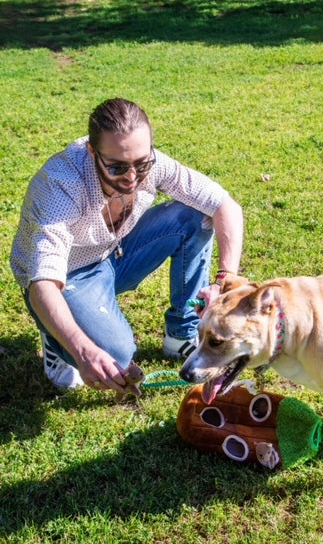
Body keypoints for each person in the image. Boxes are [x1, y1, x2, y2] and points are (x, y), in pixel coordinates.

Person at [10, 98, 243, 396]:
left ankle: (181, 330)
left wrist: (225, 282)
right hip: (68, 277)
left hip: (115, 252)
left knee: (195, 218)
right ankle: (56, 340)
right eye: (117, 167)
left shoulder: (149, 164)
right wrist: (83, 351)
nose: (132, 177)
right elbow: (41, 283)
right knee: (116, 358)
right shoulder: (60, 187)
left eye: (141, 164)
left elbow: (224, 206)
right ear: (92, 152)